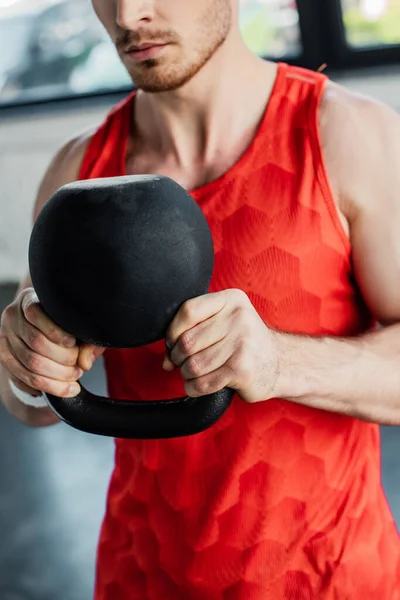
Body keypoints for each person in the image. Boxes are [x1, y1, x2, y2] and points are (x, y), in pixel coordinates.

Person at [0, 0, 400, 597]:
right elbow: (33, 407)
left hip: (328, 577)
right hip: (140, 573)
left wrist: (279, 362)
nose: (128, 14)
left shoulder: (350, 136)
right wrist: (27, 366)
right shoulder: (77, 176)